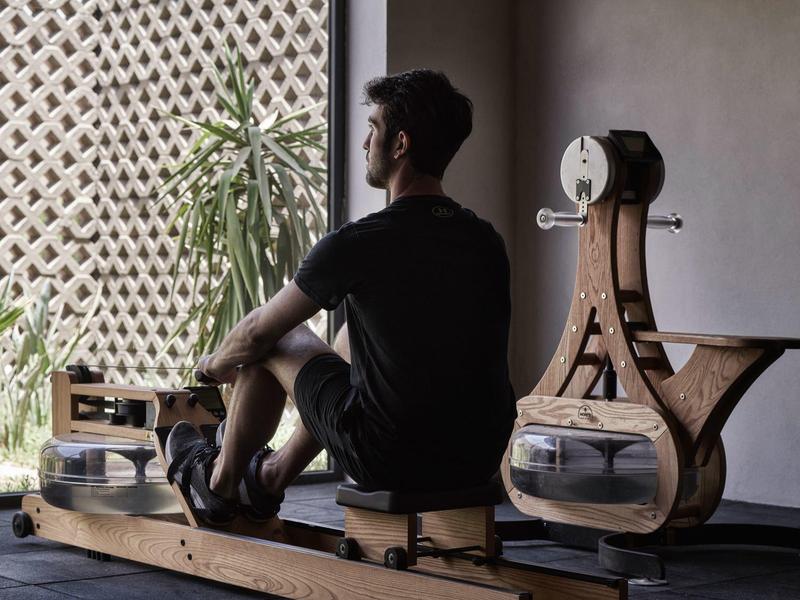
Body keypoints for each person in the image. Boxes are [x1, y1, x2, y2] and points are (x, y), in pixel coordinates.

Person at [166, 69, 516, 525]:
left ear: (400, 145)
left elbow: (257, 334)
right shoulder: (485, 239)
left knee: (278, 337)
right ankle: (269, 477)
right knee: (355, 337)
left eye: (373, 128)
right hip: (479, 455)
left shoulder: (362, 242)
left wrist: (211, 366)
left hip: (391, 458)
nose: (365, 143)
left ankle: (218, 484)